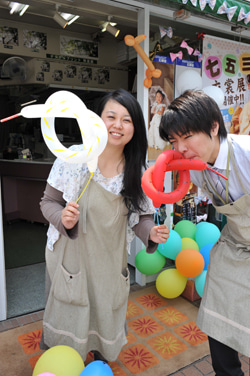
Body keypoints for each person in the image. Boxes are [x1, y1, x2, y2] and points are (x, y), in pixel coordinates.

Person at [39, 88, 169, 362]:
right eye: (111, 116)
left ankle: (98, 358)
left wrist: (152, 233)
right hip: (69, 258)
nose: (117, 125)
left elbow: (142, 219)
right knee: (69, 314)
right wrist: (63, 219)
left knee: (103, 316)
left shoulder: (138, 171)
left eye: (127, 119)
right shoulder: (73, 158)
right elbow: (48, 202)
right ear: (96, 119)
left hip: (109, 263)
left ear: (135, 127)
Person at [159, 89, 250, 376]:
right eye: (174, 140)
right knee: (215, 317)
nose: (181, 148)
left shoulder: (246, 154)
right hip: (235, 244)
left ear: (213, 126)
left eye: (187, 137)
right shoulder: (195, 170)